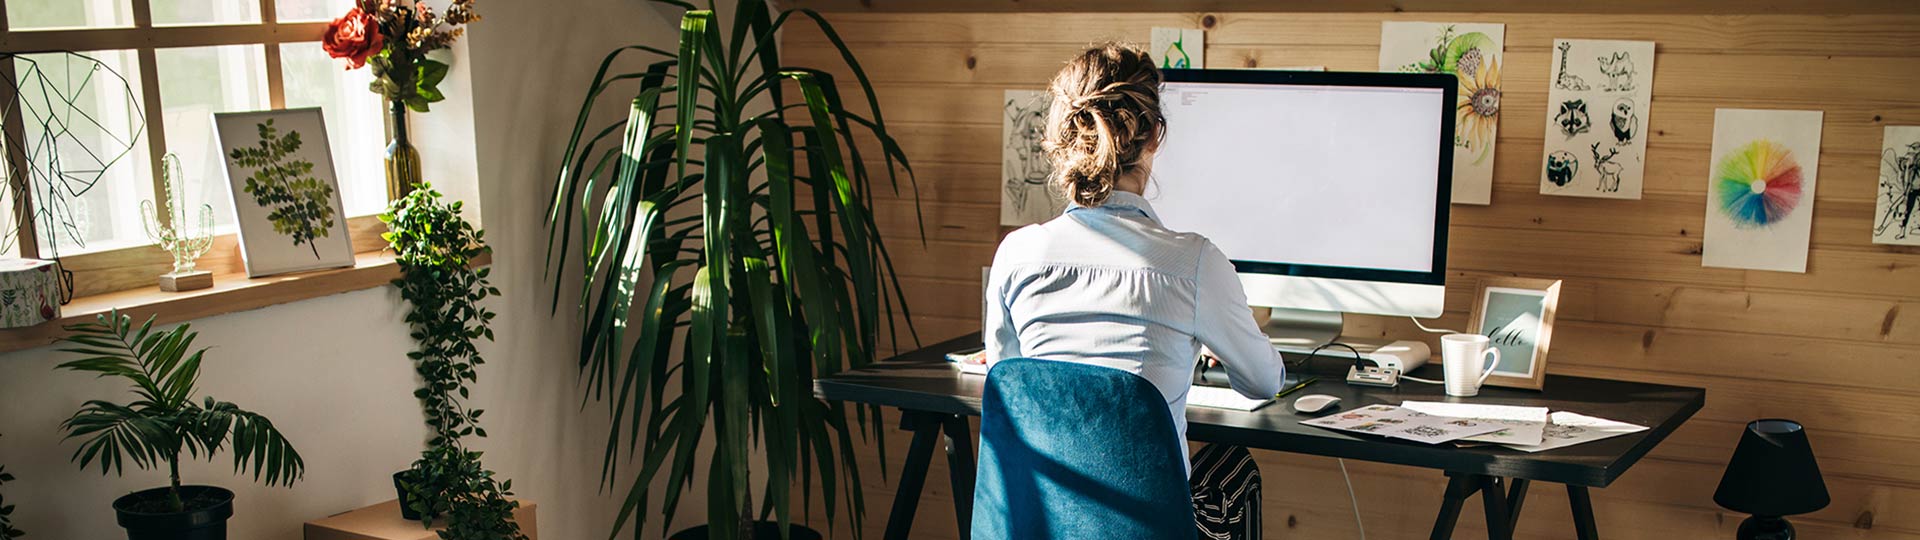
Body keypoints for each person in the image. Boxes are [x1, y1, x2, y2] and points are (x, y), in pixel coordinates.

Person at [983, 43, 1286, 540]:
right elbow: (1263, 383)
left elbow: (1009, 381)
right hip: (1146, 531)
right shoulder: (1193, 263)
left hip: (1041, 524)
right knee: (1235, 469)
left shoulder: (1017, 254)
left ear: (1061, 142)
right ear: (1154, 139)